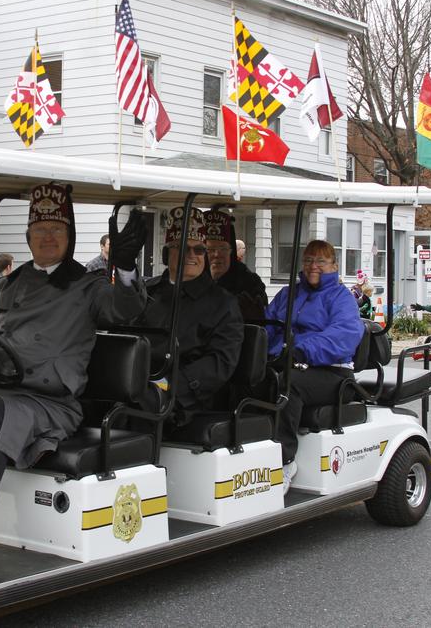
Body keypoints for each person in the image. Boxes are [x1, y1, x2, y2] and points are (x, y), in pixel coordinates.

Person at [0, 183, 147, 537]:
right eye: (40, 230)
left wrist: (123, 268)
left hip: (48, 401)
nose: (48, 237)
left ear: (70, 236)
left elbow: (125, 309)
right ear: (29, 237)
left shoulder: (88, 286)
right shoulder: (8, 284)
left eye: (57, 230)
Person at [265, 240, 364, 493]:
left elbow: (343, 336)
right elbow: (269, 324)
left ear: (334, 265)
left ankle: (285, 461)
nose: (313, 266)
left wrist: (297, 348)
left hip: (332, 372)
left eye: (321, 261)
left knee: (289, 384)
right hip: (289, 362)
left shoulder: (341, 297)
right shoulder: (290, 294)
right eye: (309, 260)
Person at [138, 207, 243, 422]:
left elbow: (220, 361)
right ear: (167, 253)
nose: (192, 256)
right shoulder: (148, 291)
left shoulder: (223, 303)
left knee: (134, 408)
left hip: (189, 398)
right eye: (183, 248)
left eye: (198, 250)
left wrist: (169, 385)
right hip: (139, 381)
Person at [203, 210, 267, 320]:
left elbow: (259, 322)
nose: (217, 254)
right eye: (210, 249)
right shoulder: (191, 278)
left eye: (223, 248)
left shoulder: (250, 283)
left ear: (231, 251)